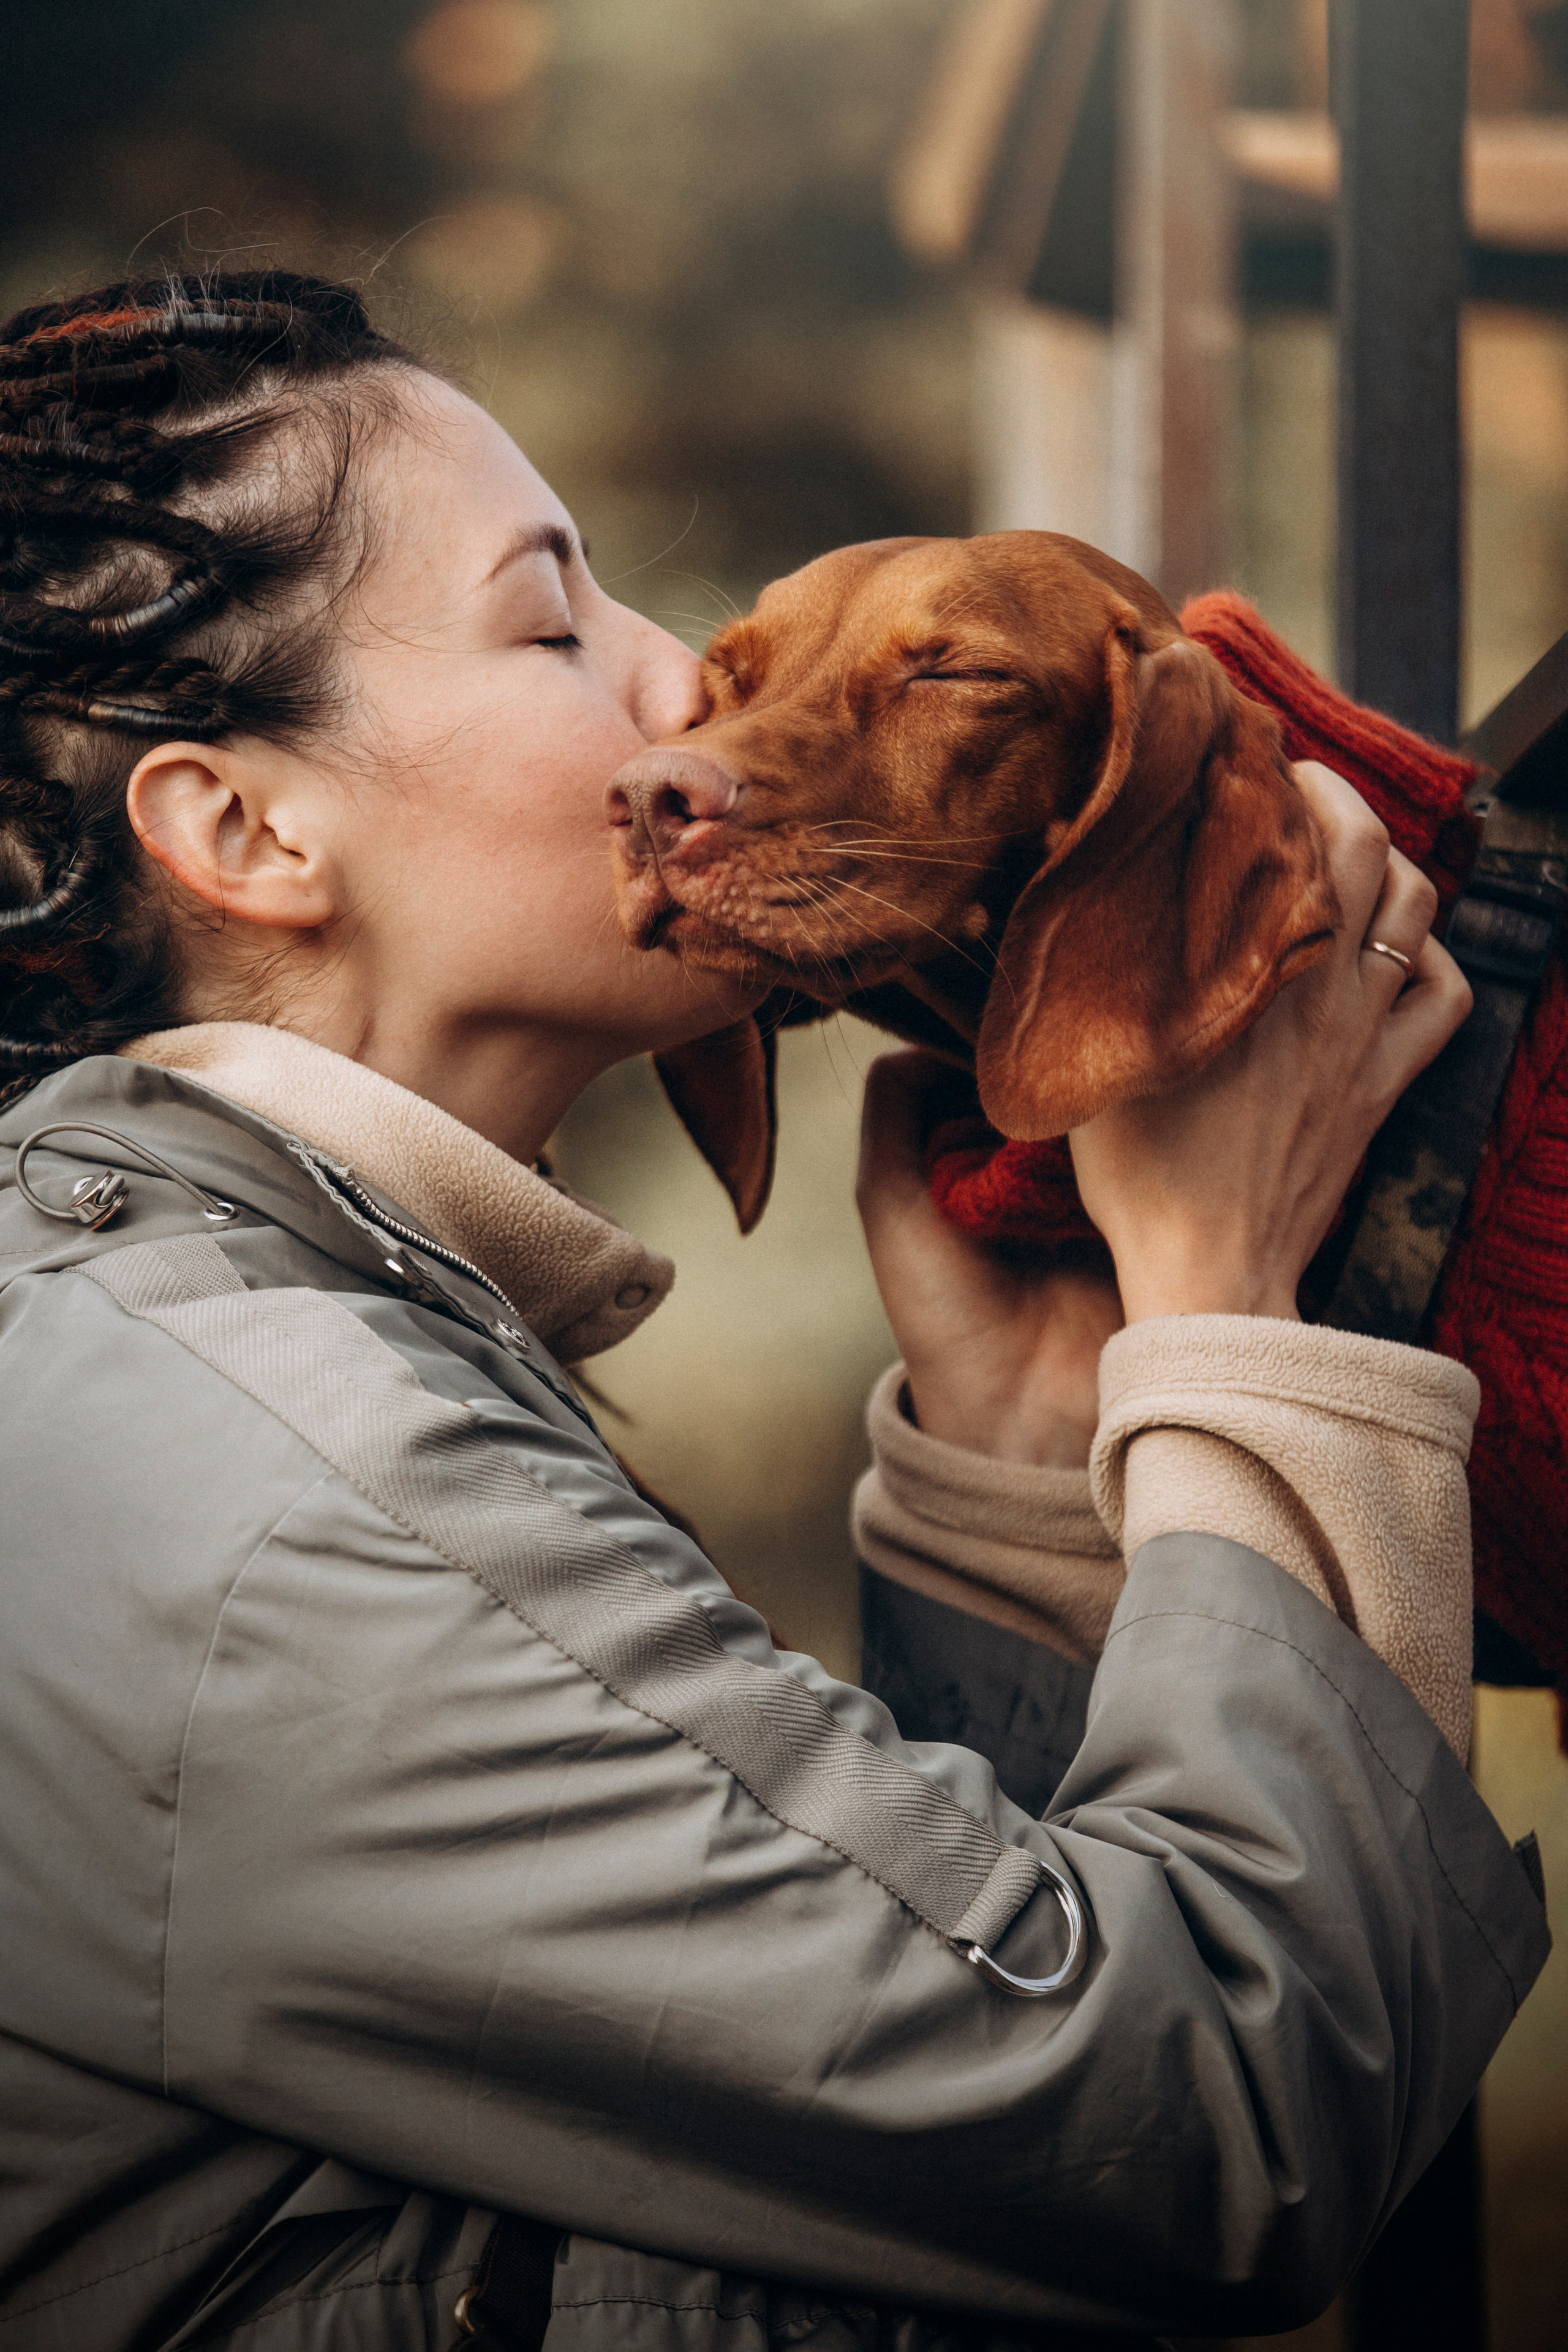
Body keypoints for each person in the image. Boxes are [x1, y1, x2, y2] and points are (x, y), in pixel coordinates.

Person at [0, 273, 1548, 2352]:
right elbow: (1198, 2138)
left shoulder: (254, 1344)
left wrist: (1004, 1466)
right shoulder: (252, 1475)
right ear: (248, 830)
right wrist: (1230, 1313)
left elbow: (910, 2055)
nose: (687, 706)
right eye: (557, 621)